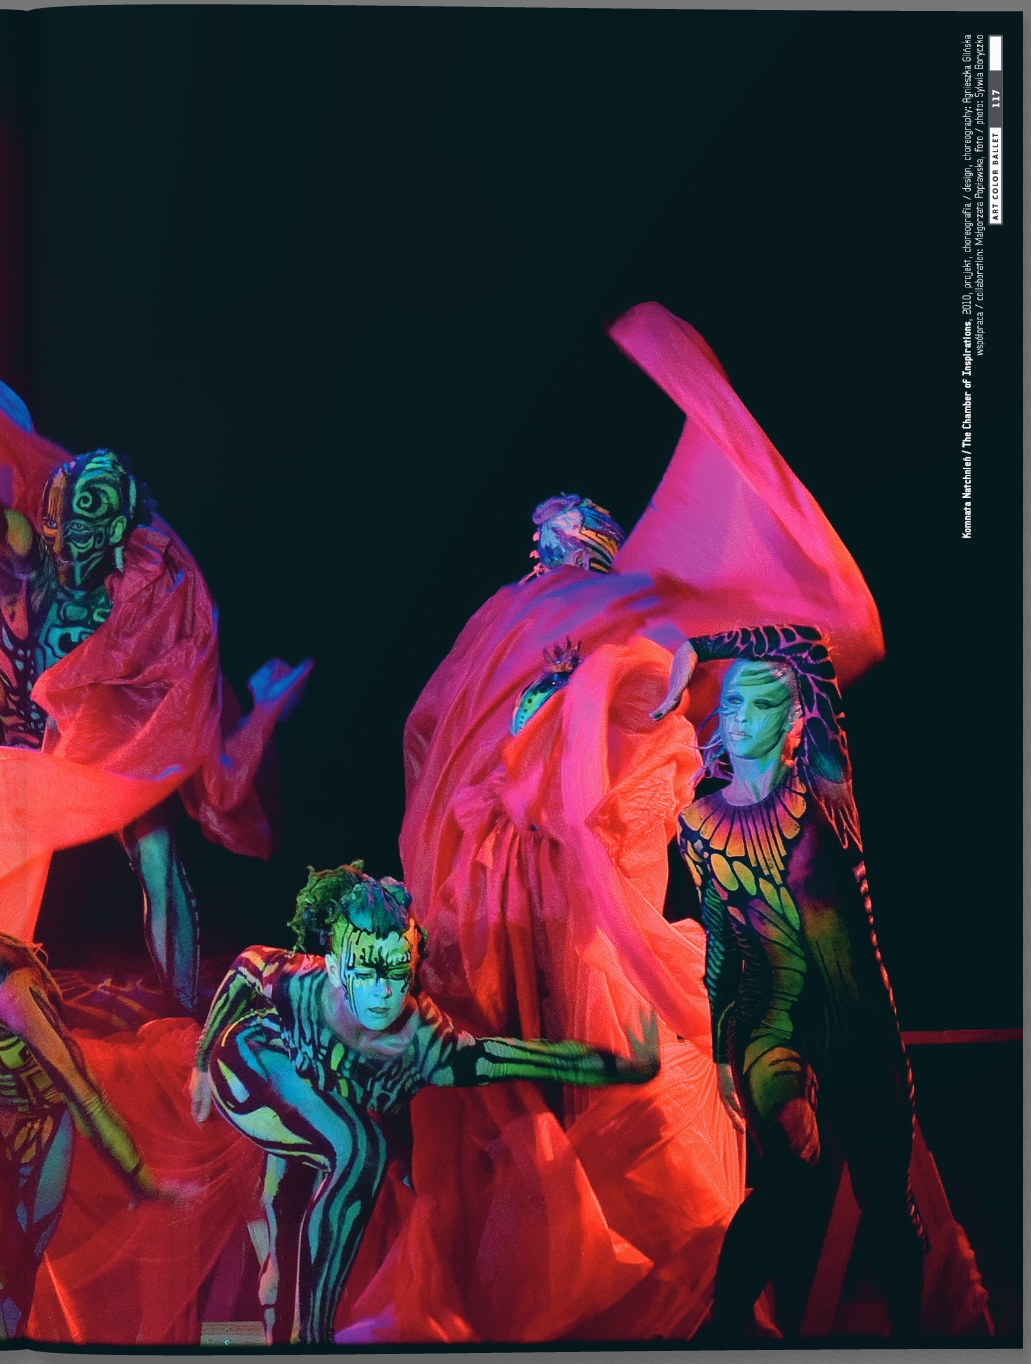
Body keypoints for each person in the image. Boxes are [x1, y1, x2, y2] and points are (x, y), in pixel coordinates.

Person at [379, 301, 892, 1342]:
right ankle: (661, 1311)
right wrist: (649, 953)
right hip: (580, 917)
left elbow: (451, 754)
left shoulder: (519, 634)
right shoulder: (626, 643)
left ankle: (630, 1307)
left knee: (549, 1120)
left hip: (508, 908)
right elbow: (567, 800)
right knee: (637, 1112)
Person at [0, 166, 309, 1015]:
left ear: (116, 532)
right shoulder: (30, 552)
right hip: (34, 751)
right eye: (69, 516)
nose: (74, 534)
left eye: (92, 522)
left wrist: (253, 714)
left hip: (109, 751)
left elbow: (177, 699)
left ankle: (183, 1015)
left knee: (156, 854)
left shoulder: (137, 590)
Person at [191, 863, 661, 1345]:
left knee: (299, 1218)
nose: (382, 992)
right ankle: (314, 1338)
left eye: (396, 972)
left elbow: (518, 1057)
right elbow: (247, 965)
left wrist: (623, 1068)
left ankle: (283, 1317)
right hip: (251, 1062)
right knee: (359, 1149)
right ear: (334, 969)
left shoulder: (427, 1043)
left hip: (317, 1101)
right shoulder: (301, 982)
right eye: (366, 973)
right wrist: (203, 1060)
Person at [659, 627, 926, 1337]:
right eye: (731, 703)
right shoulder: (696, 822)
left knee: (884, 1198)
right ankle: (724, 1329)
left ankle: (915, 1338)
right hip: (766, 1017)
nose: (738, 717)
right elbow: (722, 942)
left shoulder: (826, 790)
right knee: (789, 1169)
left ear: (795, 718)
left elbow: (807, 644)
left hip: (857, 1016)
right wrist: (723, 1054)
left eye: (757, 703)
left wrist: (698, 645)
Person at [0, 838, 169, 1340]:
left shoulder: (12, 990)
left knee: (16, 1270)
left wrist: (136, 1175)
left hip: (35, 1112)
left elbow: (81, 1089)